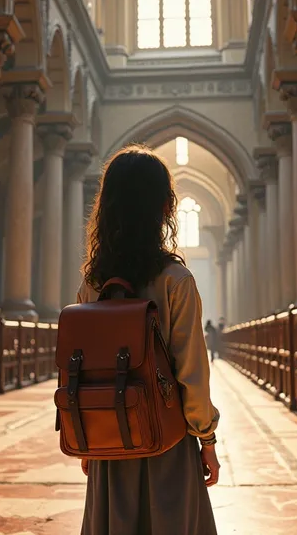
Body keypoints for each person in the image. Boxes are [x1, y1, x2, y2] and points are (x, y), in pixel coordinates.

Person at [77, 145, 220, 535]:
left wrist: (89, 441)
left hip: (109, 438)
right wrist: (206, 439)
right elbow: (192, 374)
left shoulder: (91, 286)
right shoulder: (176, 281)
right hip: (166, 441)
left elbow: (85, 372)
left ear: (107, 209)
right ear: (163, 208)